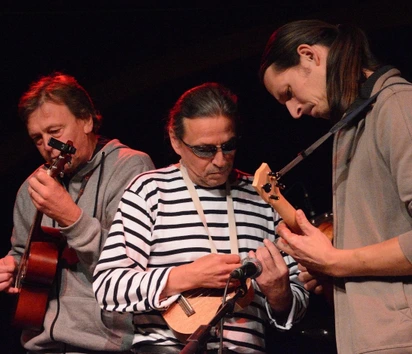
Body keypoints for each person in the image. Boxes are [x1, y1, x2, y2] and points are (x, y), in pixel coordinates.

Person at [92, 82, 309, 354]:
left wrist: (280, 295)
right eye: (205, 150)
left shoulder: (263, 196)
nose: (220, 160)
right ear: (175, 141)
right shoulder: (148, 190)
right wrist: (186, 276)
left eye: (228, 146)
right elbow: (108, 285)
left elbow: (297, 304)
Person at [259, 19, 412, 354]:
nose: (294, 111)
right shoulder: (352, 127)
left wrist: (336, 261)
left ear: (309, 56)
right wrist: (330, 275)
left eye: (288, 93)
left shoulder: (398, 106)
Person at [0, 72, 155, 353]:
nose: (48, 145)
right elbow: (24, 255)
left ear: (86, 120)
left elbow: (135, 266)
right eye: (37, 138)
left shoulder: (131, 168)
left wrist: (71, 217)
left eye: (55, 132)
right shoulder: (31, 188)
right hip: (41, 345)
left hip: (108, 344)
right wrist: (11, 269)